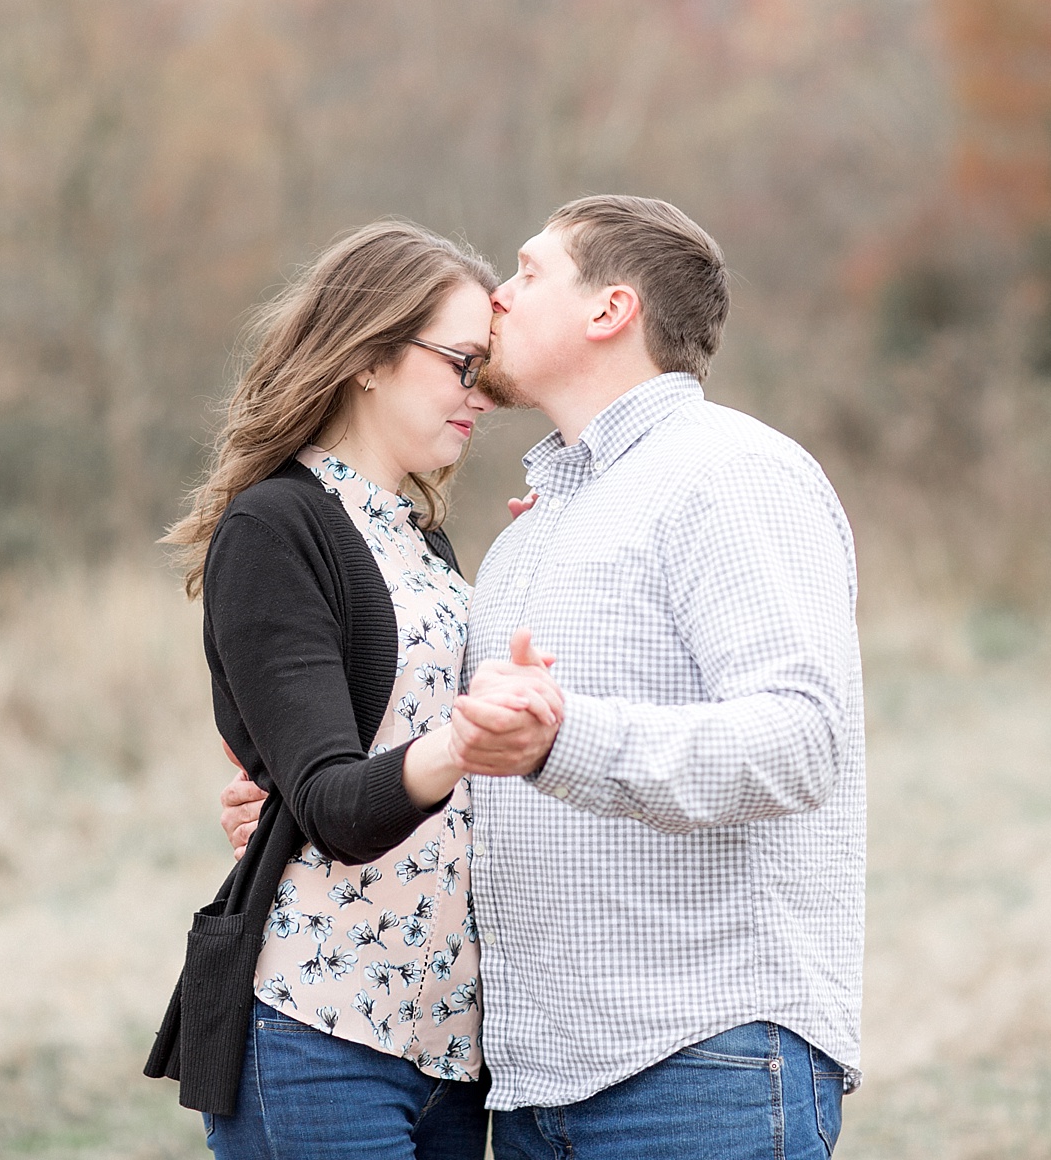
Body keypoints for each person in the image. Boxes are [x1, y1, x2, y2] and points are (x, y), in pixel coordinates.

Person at [220, 195, 866, 1160]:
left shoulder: (726, 474)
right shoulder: (530, 531)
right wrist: (290, 803)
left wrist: (563, 741)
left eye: (526, 272)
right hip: (527, 1082)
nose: (499, 297)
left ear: (609, 311)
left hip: (698, 1060)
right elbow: (431, 738)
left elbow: (803, 739)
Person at [145, 220, 564, 1160]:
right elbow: (334, 801)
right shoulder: (275, 527)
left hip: (451, 1042)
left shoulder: (424, 542)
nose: (480, 397)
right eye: (463, 363)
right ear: (371, 355)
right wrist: (462, 742)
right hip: (322, 1020)